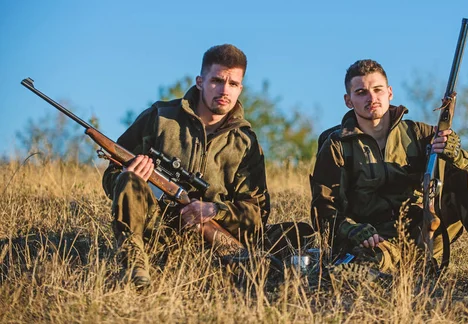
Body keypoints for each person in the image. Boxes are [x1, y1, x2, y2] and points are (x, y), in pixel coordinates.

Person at [102, 44, 313, 289]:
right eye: (217, 80)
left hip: (207, 239)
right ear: (200, 81)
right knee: (129, 179)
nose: (224, 90)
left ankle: (249, 268)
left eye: (233, 84)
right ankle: (135, 264)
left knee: (300, 233)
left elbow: (255, 215)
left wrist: (214, 210)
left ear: (240, 88)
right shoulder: (160, 118)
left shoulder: (245, 142)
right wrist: (129, 177)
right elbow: (112, 174)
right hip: (154, 230)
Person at [310, 59, 468, 277]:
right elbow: (323, 209)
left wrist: (456, 155)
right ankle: (400, 272)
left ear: (390, 92)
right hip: (376, 240)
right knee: (353, 271)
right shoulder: (337, 145)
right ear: (349, 101)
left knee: (465, 177)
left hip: (428, 231)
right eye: (361, 92)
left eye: (377, 89)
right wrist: (352, 229)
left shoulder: (419, 134)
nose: (372, 98)